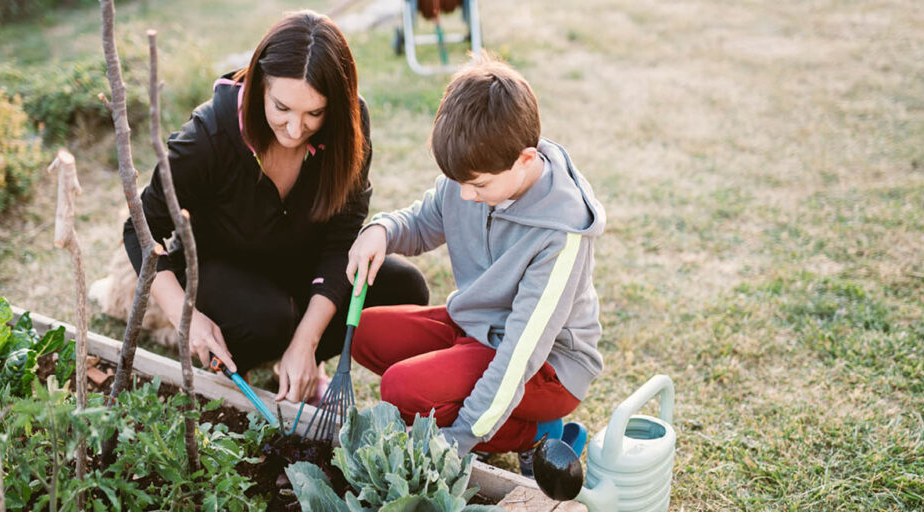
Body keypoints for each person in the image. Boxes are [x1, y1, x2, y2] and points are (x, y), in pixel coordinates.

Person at [122, 10, 429, 405]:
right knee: (268, 319)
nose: (296, 129)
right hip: (228, 277)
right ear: (258, 86)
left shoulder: (349, 125)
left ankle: (299, 361)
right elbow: (140, 230)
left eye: (314, 113)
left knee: (403, 287)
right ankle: (248, 356)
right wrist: (187, 318)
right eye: (281, 108)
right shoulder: (207, 138)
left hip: (304, 268)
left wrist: (308, 341)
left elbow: (342, 238)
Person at [345, 54, 606, 464]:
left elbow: (519, 357)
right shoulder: (475, 173)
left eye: (478, 185)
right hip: (477, 327)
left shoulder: (561, 235)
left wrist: (456, 440)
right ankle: (469, 396)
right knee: (365, 333)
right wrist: (381, 230)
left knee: (400, 389)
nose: (465, 195)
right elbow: (423, 221)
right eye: (459, 182)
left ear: (525, 159)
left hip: (546, 367)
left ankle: (537, 432)